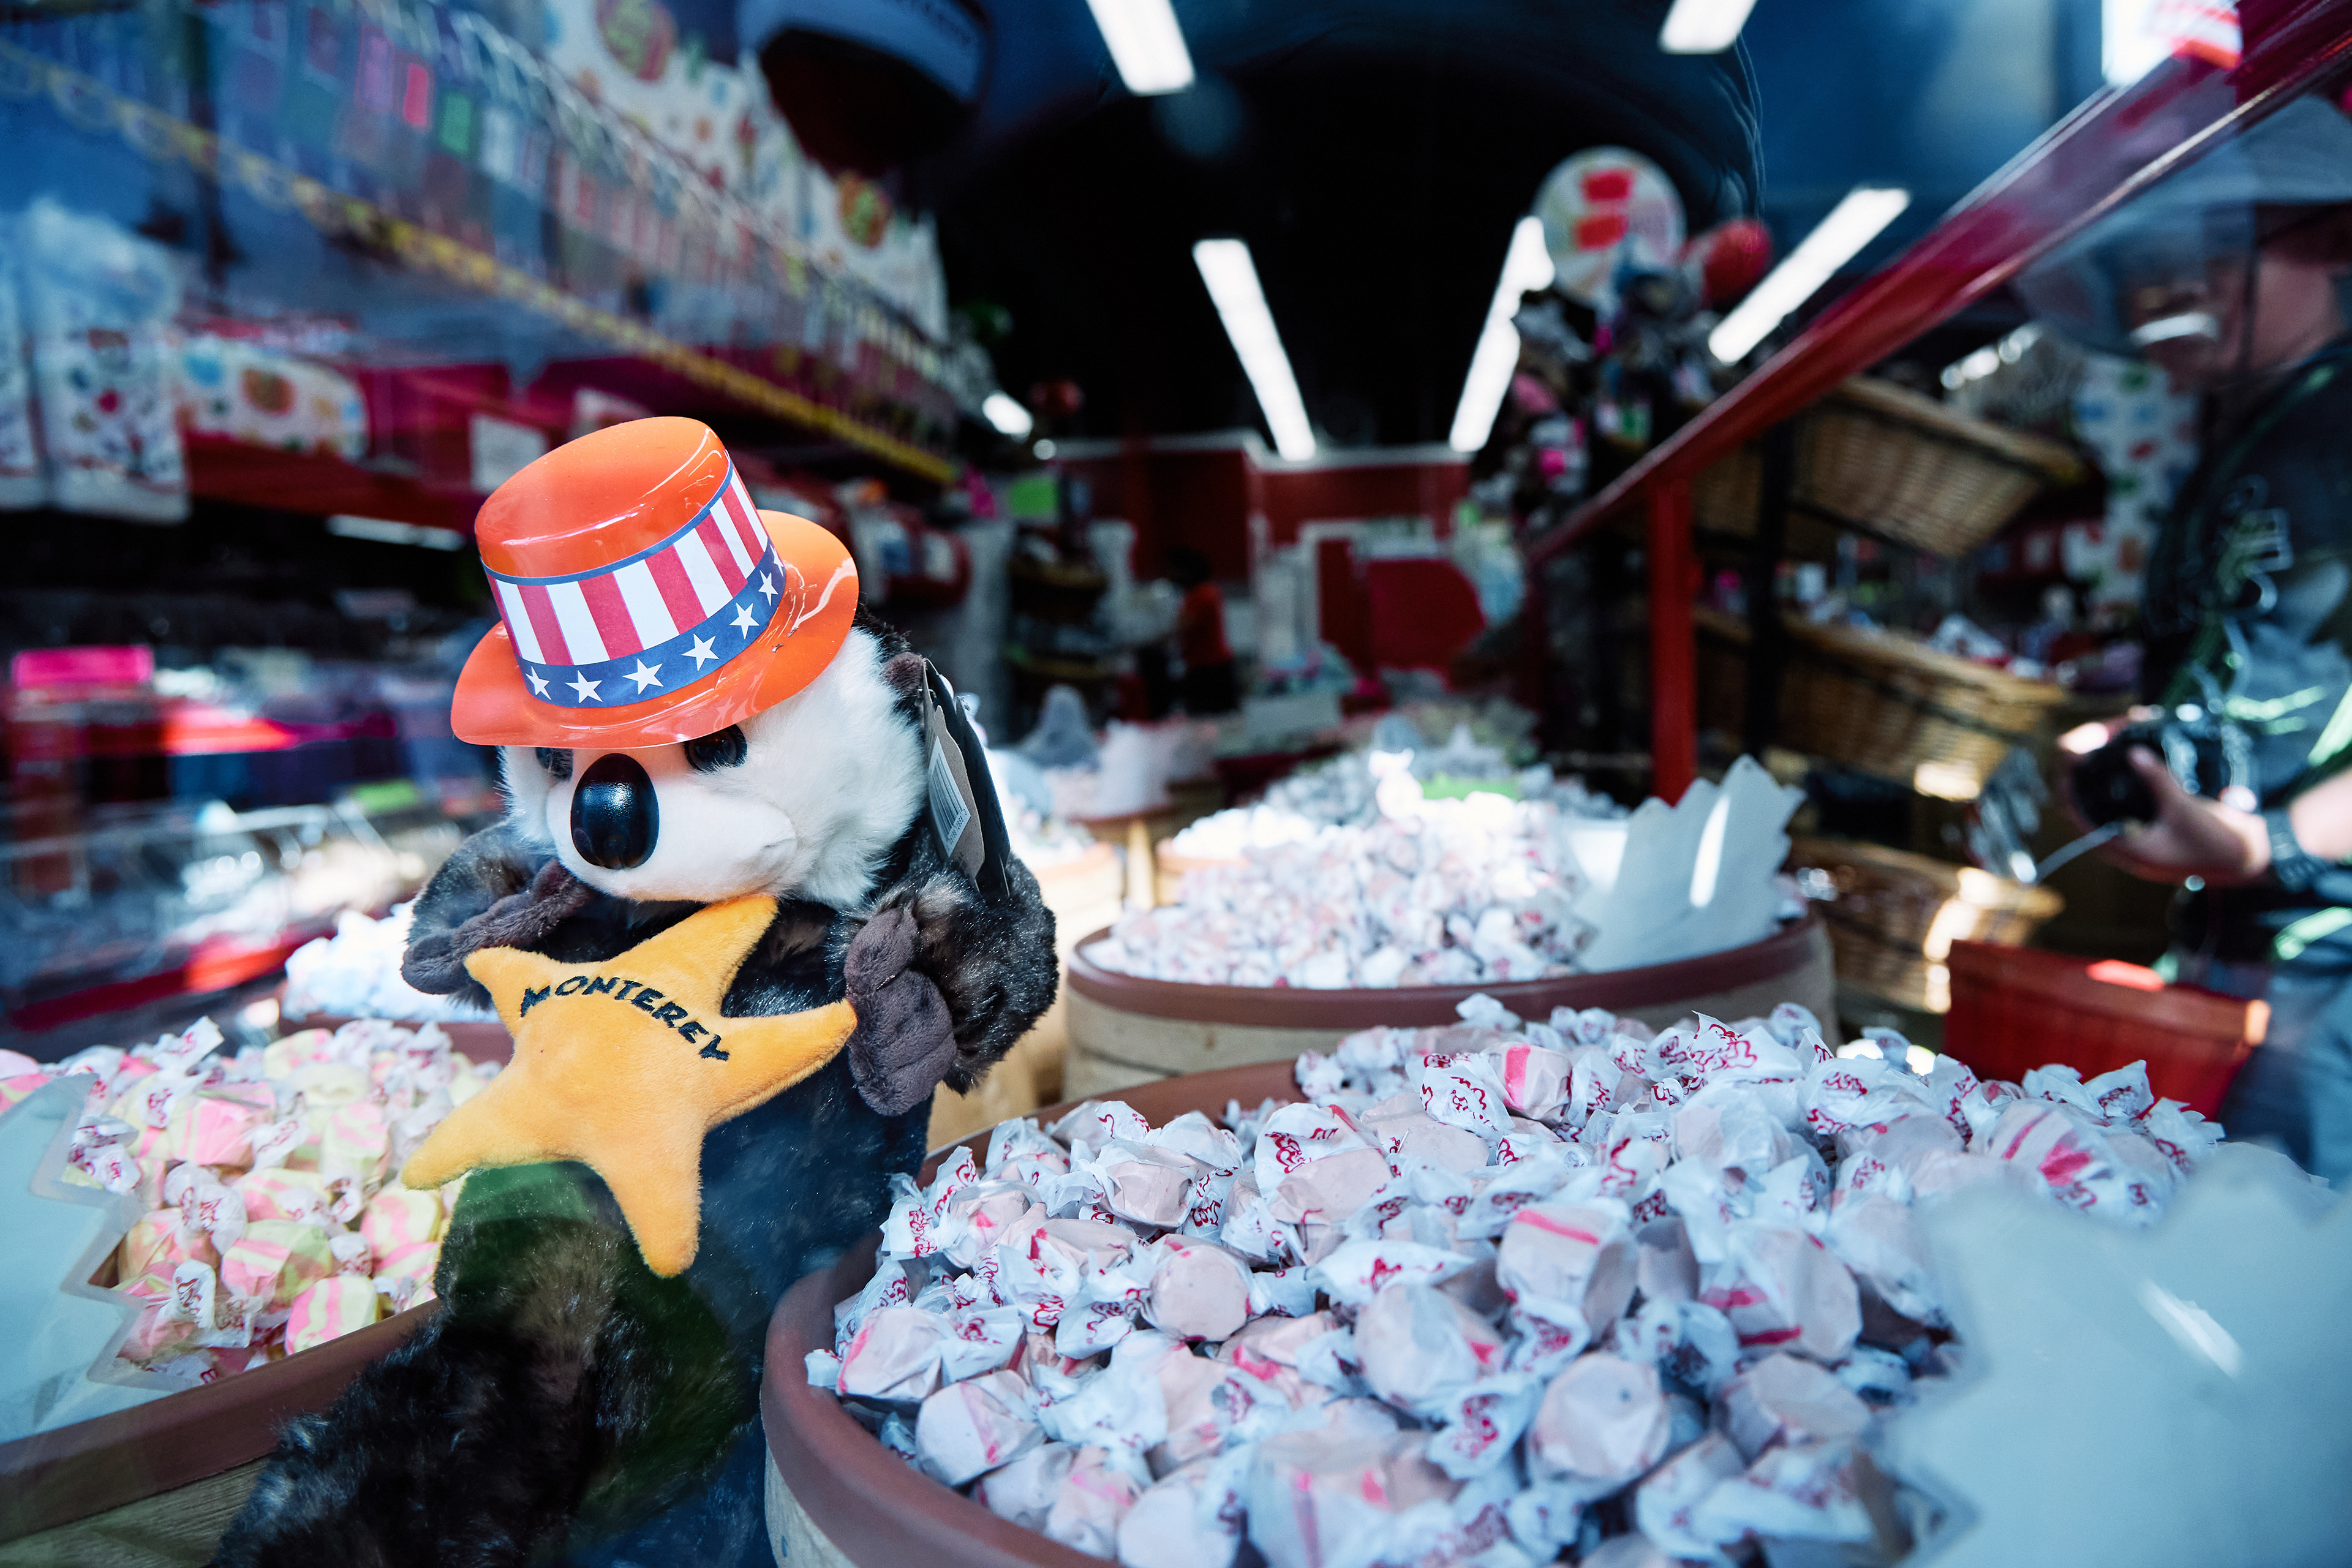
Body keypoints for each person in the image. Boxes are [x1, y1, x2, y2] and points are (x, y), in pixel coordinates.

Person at [2024, 96, 2352, 1182]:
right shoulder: (2247, 433)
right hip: (2233, 957)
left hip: (2325, 974)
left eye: (2215, 252)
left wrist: (2269, 847)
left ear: (2317, 239)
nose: (2179, 293)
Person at [1167, 545, 1239, 715]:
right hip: (1205, 666)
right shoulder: (1201, 593)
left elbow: (1182, 626)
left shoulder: (1203, 594)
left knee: (1213, 720)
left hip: (1210, 668)